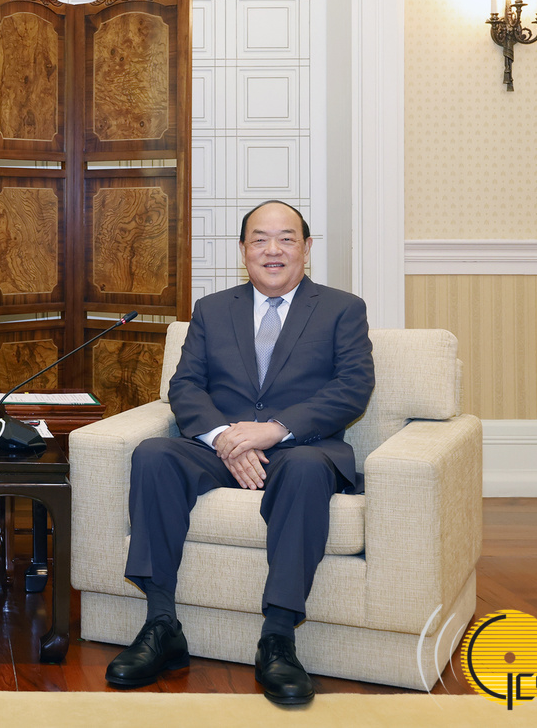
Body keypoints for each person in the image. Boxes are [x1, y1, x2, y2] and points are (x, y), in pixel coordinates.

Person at [105, 200, 374, 704]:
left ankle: (278, 639)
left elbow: (352, 389)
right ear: (243, 250)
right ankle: (161, 625)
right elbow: (185, 386)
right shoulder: (212, 309)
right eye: (260, 239)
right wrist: (223, 438)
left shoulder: (342, 308)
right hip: (219, 446)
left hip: (299, 448)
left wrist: (274, 430)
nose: (273, 250)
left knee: (306, 470)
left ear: (306, 248)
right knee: (154, 454)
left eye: (286, 239)